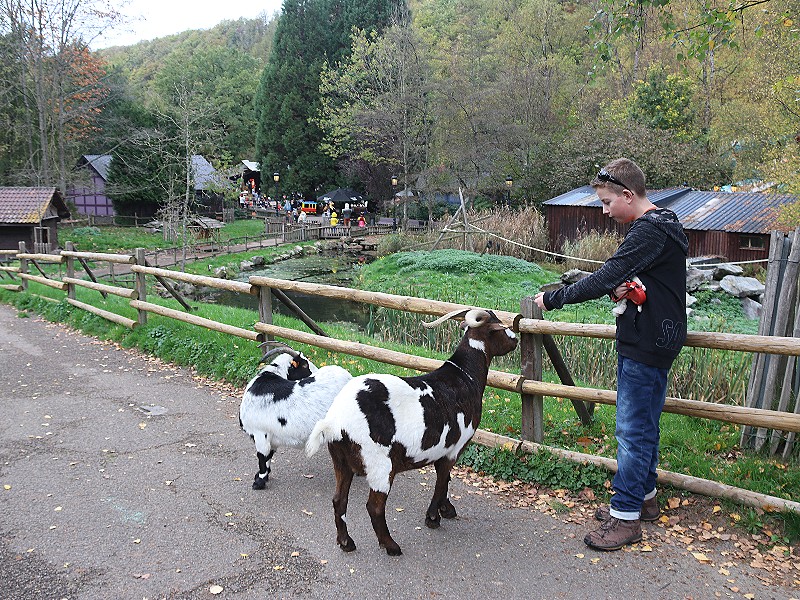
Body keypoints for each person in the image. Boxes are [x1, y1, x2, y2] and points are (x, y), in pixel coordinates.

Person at [534, 157, 688, 552]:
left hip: (646, 340)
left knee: (631, 430)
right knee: (644, 425)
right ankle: (645, 498)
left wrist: (553, 299)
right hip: (656, 337)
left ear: (627, 194)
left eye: (605, 202)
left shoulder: (649, 231)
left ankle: (625, 517)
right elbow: (623, 278)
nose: (604, 211)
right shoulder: (663, 226)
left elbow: (606, 274)